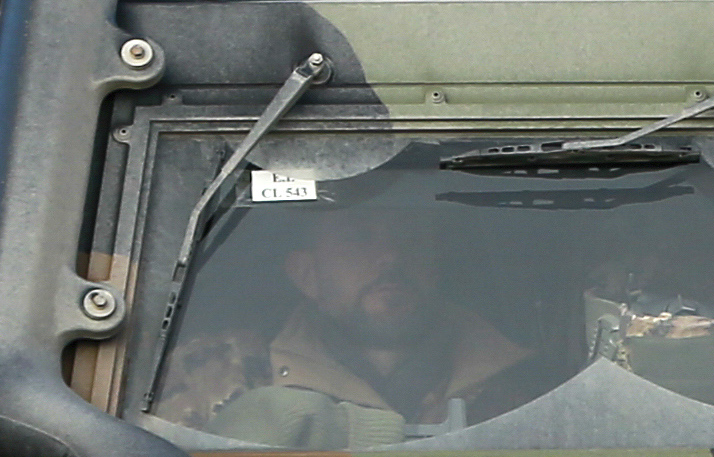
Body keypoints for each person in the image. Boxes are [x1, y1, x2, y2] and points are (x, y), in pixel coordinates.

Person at [162, 186, 543, 440]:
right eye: (359, 237)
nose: (391, 256)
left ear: (438, 261)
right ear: (306, 274)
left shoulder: (525, 386)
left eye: (410, 237)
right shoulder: (212, 373)